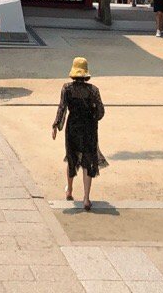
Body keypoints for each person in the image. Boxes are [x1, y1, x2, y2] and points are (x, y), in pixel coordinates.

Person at [52, 57, 105, 211]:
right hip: (89, 128)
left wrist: (56, 125)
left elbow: (62, 108)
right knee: (88, 161)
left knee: (71, 157)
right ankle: (86, 199)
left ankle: (69, 190)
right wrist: (93, 116)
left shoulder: (67, 88)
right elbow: (101, 112)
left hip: (73, 126)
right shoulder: (94, 90)